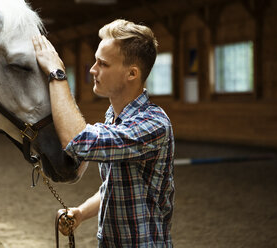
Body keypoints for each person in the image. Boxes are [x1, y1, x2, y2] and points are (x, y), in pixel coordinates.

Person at [32, 19, 175, 247]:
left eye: (103, 64)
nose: (93, 69)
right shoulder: (113, 118)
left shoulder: (153, 125)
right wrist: (80, 212)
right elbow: (115, 186)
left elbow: (79, 143)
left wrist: (57, 74)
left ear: (132, 73)